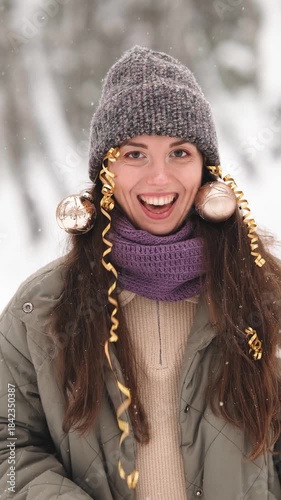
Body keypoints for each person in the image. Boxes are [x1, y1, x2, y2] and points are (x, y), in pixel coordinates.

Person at [0, 45, 281, 500]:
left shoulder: (266, 295)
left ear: (206, 169)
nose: (159, 179)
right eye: (135, 154)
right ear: (105, 170)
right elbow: (8, 446)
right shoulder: (38, 311)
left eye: (179, 153)